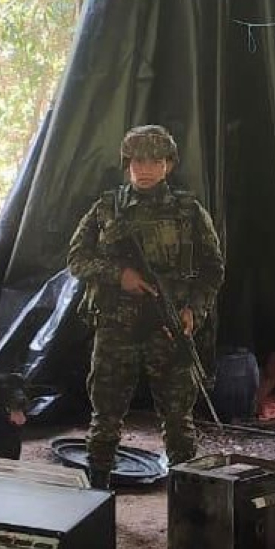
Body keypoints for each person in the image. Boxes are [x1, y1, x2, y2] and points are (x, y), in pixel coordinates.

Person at [67, 125, 224, 489]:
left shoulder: (188, 211)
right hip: (115, 324)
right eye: (138, 160)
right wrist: (117, 275)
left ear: (168, 164)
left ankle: (188, 500)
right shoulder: (106, 208)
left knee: (178, 419)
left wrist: (192, 312)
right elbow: (77, 259)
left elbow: (213, 270)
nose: (146, 168)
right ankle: (97, 493)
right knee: (105, 416)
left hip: (167, 327)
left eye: (155, 160)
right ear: (127, 164)